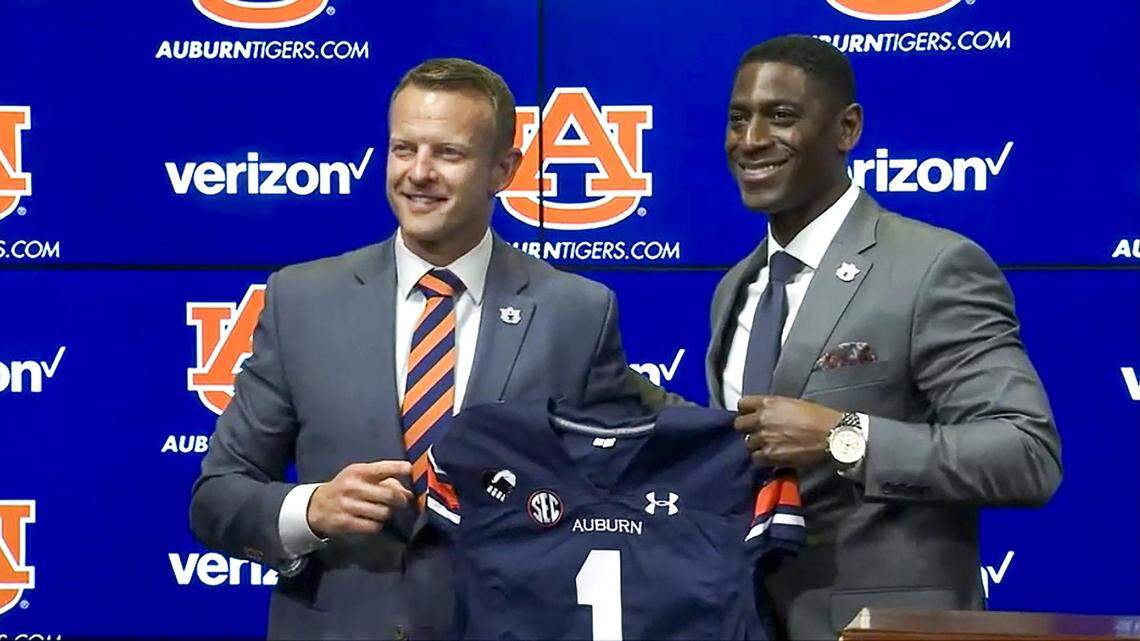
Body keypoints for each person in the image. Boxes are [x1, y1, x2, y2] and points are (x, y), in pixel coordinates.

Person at [189, 57, 642, 640]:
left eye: (448, 154)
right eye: (404, 149)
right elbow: (217, 495)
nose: (418, 173)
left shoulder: (576, 313)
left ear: (503, 169)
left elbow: (622, 504)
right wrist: (311, 510)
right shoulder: (301, 300)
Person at [711, 36, 1063, 640]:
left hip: (890, 629)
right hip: (749, 621)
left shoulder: (933, 267)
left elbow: (1026, 455)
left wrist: (844, 437)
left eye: (782, 116)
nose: (751, 140)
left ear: (846, 129)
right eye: (739, 118)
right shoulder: (734, 290)